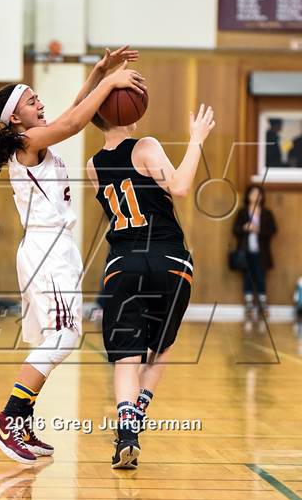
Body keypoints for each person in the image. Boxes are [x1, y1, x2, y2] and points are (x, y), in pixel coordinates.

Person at [0, 46, 146, 465]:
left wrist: (100, 70)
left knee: (54, 337)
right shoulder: (25, 140)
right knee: (63, 337)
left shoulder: (35, 137)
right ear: (15, 117)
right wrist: (109, 83)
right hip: (46, 248)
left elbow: (72, 111)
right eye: (32, 99)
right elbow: (75, 120)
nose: (41, 102)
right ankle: (8, 417)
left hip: (54, 249)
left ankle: (23, 417)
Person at [87, 104, 215, 468]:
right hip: (168, 258)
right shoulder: (145, 146)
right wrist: (196, 140)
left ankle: (127, 432)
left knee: (126, 357)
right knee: (162, 346)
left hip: (123, 261)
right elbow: (181, 186)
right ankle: (138, 415)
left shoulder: (93, 166)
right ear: (128, 111)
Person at [232, 185, 277, 318]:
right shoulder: (243, 212)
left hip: (261, 251)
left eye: (258, 194)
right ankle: (249, 304)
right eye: (253, 193)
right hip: (245, 250)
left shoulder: (267, 213)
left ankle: (263, 304)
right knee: (248, 275)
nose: (256, 196)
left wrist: (258, 230)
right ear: (248, 196)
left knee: (260, 275)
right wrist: (245, 227)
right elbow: (235, 229)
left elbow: (272, 230)